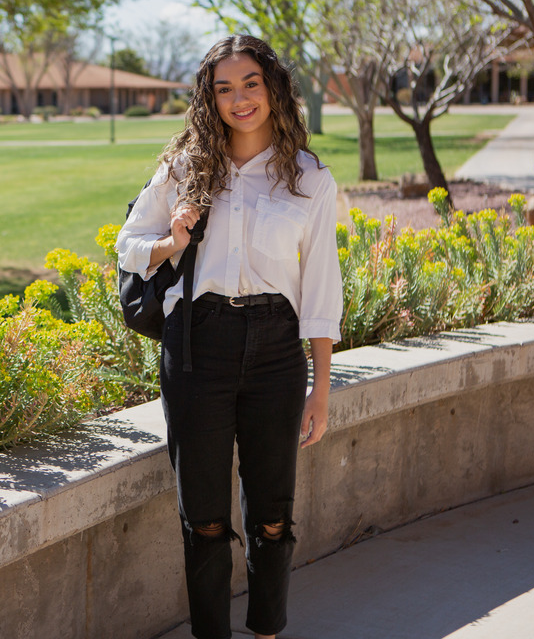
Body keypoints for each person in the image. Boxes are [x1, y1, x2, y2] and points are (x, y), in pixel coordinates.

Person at [115, 35, 341, 639]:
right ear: (208, 98)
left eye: (250, 84)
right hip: (198, 347)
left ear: (273, 89)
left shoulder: (311, 179)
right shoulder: (185, 167)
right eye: (223, 88)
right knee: (205, 517)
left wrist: (321, 388)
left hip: (276, 349)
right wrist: (173, 240)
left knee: (272, 516)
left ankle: (266, 629)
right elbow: (128, 245)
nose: (239, 99)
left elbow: (320, 288)